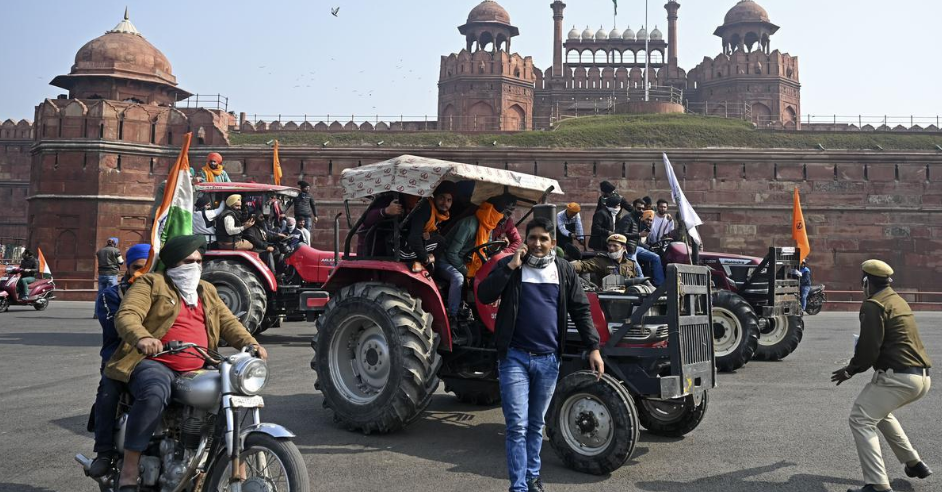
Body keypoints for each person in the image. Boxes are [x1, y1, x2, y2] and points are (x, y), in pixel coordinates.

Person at [109, 235, 267, 490]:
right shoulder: (151, 283)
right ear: (172, 263)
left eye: (199, 261)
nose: (194, 266)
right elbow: (127, 315)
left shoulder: (207, 290)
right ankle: (129, 468)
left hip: (202, 364)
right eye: (188, 261)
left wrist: (251, 344)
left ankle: (236, 468)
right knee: (154, 392)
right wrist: (143, 337)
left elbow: (229, 323)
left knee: (235, 396)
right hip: (156, 362)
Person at [477, 217, 604, 492]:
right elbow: (484, 294)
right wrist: (509, 267)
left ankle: (533, 478)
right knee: (517, 426)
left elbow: (581, 310)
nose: (537, 244)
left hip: (548, 360)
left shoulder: (563, 270)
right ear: (525, 241)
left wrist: (593, 347)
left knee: (536, 425)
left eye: (543, 239)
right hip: (514, 358)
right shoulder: (512, 266)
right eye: (532, 238)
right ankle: (519, 487)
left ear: (553, 244)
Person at [831, 260, 932, 492]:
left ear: (866, 281)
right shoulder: (897, 301)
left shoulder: (873, 304)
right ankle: (914, 463)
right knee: (878, 412)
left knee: (860, 418)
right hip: (921, 378)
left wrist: (850, 369)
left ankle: (877, 485)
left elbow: (868, 349)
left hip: (897, 378)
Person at [87, 243, 151, 477]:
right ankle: (103, 452)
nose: (141, 274)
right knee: (108, 391)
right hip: (119, 358)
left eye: (148, 268)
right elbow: (116, 327)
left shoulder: (164, 293)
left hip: (157, 359)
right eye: (137, 268)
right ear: (128, 268)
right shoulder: (111, 294)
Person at [443, 194, 515, 281]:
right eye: (502, 213)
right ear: (492, 212)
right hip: (446, 260)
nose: (504, 217)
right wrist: (467, 272)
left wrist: (499, 246)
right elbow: (451, 253)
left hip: (467, 263)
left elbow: (486, 250)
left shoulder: (488, 227)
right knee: (458, 280)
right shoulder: (469, 226)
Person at [571, 234, 637, 286]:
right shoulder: (601, 260)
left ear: (623, 247)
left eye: (615, 246)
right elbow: (583, 265)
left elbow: (634, 282)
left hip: (627, 298)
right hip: (606, 298)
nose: (611, 248)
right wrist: (567, 266)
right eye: (609, 245)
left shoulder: (631, 263)